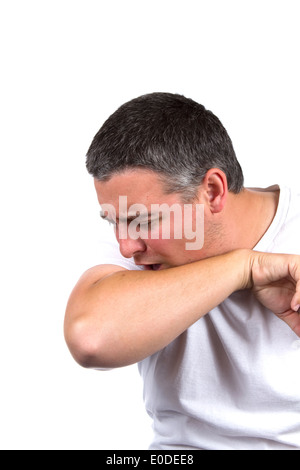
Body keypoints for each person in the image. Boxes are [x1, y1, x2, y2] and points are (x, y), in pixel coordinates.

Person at [64, 92, 300, 450]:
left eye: (142, 220)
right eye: (115, 221)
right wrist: (244, 266)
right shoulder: (133, 241)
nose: (127, 247)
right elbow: (91, 339)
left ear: (212, 190)